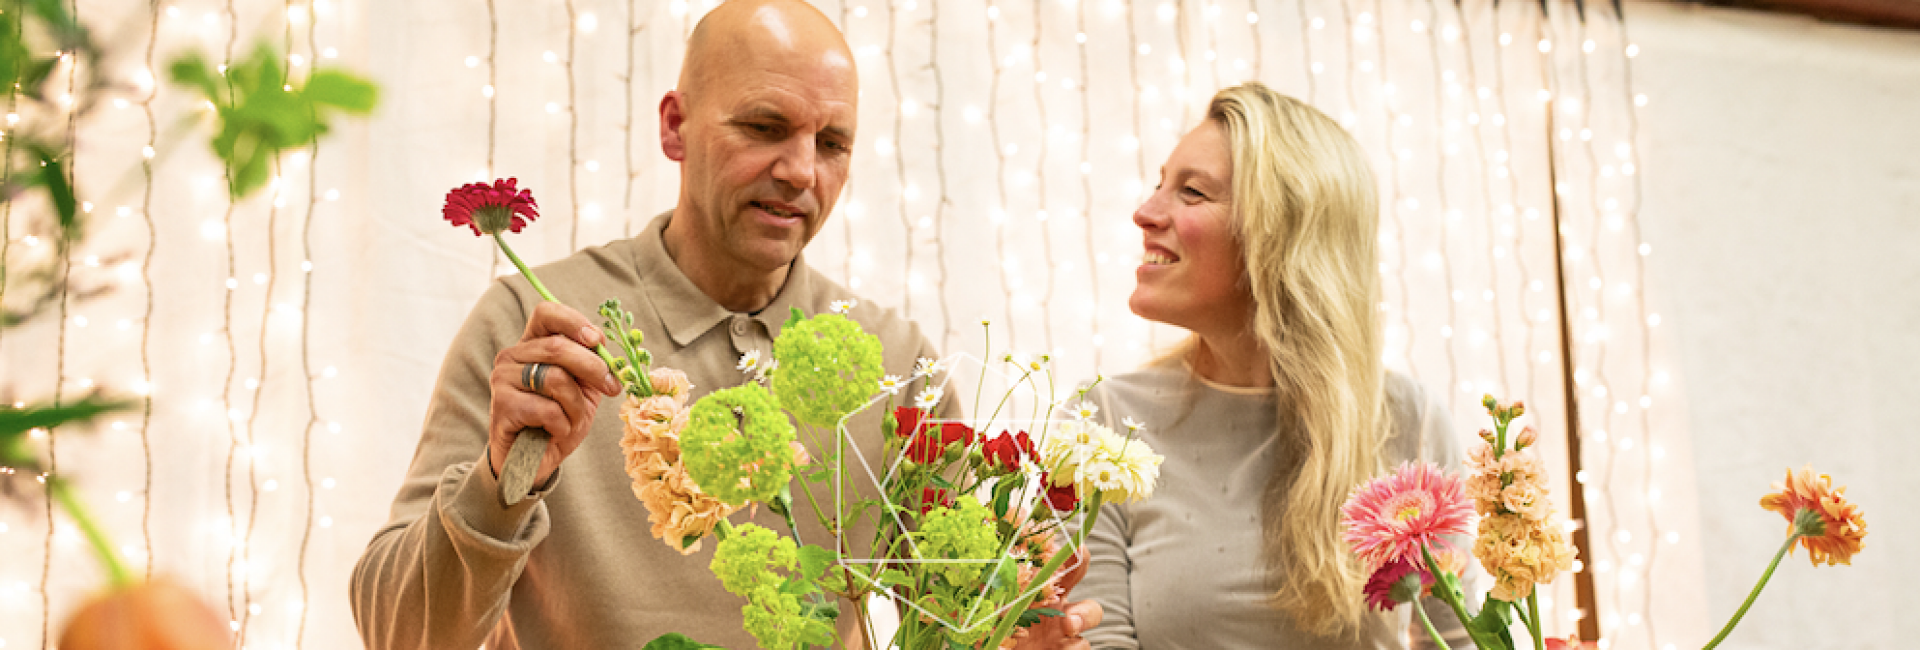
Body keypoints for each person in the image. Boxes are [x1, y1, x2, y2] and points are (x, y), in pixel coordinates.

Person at [349, 2, 952, 647]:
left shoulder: (897, 362)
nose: (802, 171)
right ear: (675, 126)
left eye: (832, 143)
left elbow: (955, 619)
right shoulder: (532, 331)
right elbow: (399, 633)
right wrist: (500, 480)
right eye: (764, 126)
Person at [1049, 82, 1477, 648]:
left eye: (1192, 193)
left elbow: (1458, 638)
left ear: (1283, 235)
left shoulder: (1408, 419)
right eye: (1160, 185)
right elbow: (1094, 640)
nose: (1145, 212)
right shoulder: (1101, 420)